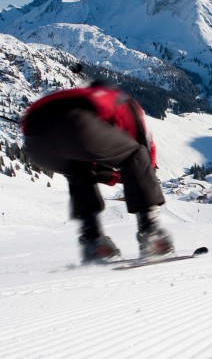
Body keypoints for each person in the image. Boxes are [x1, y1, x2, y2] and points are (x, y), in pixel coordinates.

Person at [21, 64, 174, 263]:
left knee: (79, 173)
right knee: (136, 154)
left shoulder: (75, 96)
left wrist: (113, 175)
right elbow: (141, 146)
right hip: (76, 124)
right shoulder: (120, 99)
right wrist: (147, 174)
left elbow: (91, 157)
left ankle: (94, 244)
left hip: (34, 142)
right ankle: (151, 234)